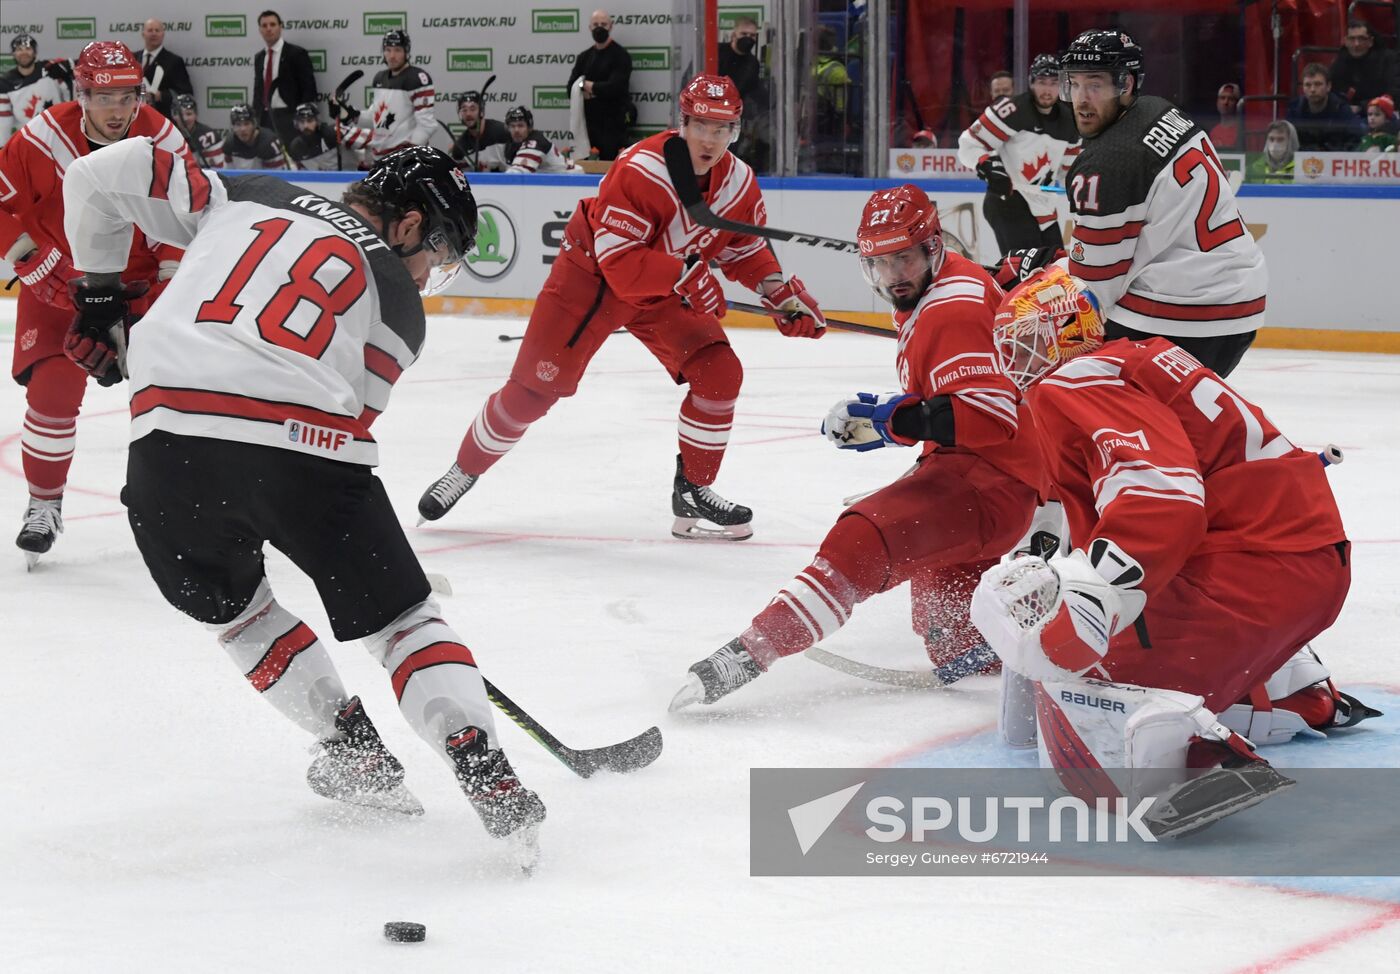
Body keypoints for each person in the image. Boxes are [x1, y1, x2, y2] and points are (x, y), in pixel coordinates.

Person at [61, 143, 547, 847]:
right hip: (307, 456)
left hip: (168, 447)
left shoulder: (245, 190)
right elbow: (332, 419)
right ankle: (486, 768)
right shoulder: (401, 311)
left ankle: (356, 757)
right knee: (405, 623)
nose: (426, 272)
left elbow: (92, 175)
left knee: (239, 613)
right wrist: (371, 578)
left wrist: (100, 295)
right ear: (408, 224)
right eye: (434, 251)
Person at [968, 267, 1372, 838]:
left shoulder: (1074, 379)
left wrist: (1096, 596)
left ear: (1065, 329)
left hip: (1247, 569)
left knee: (1080, 681)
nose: (1016, 362)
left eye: (1026, 341)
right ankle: (1295, 688)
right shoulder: (1140, 357)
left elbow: (1163, 499)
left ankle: (1200, 758)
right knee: (1115, 650)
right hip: (1303, 564)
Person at [670, 184, 1044, 710]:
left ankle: (750, 652)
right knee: (952, 638)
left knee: (863, 536)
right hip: (988, 475)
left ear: (933, 247)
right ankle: (1006, 651)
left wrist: (892, 421)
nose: (893, 276)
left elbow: (990, 417)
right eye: (881, 263)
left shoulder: (949, 310)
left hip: (988, 483)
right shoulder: (939, 287)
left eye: (904, 258)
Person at [417, 75, 825, 539]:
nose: (711, 139)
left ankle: (693, 488)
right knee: (532, 393)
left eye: (723, 129)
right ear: (683, 123)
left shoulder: (740, 183)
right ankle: (465, 468)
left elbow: (742, 248)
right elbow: (620, 264)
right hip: (591, 279)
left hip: (664, 288)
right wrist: (686, 274)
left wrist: (778, 292)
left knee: (720, 372)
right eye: (702, 126)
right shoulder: (640, 168)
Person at [0, 40, 187, 565]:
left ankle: (175, 500)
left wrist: (167, 291)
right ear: (80, 94)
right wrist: (30, 259)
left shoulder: (162, 137)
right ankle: (43, 504)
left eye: (127, 97)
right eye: (104, 98)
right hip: (60, 285)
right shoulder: (41, 139)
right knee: (51, 395)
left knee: (172, 397)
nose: (117, 110)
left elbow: (185, 216)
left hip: (139, 288)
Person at [1055, 29, 1266, 379]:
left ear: (1126, 84)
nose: (1081, 99)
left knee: (1064, 364)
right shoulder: (1162, 110)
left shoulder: (1106, 162)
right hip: (1240, 305)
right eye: (1074, 84)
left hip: (1179, 321)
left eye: (1094, 84)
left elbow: (1093, 290)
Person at [958, 54, 1080, 254]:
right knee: (1024, 274)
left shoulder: (1069, 121)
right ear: (1031, 83)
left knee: (1054, 272)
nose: (1047, 89)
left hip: (1043, 207)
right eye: (1041, 82)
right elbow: (968, 143)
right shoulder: (1013, 110)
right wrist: (986, 164)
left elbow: (1068, 170)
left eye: (1053, 83)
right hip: (1009, 200)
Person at [333, 30, 436, 165]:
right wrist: (348, 114)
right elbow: (375, 119)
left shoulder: (417, 79)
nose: (392, 56)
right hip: (380, 159)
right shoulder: (379, 78)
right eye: (388, 50)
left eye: (397, 50)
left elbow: (427, 125)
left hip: (406, 161)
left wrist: (409, 153)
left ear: (406, 51)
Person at [566, 10, 633, 161]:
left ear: (611, 26)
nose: (599, 27)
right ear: (589, 27)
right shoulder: (584, 57)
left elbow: (615, 88)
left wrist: (587, 87)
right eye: (595, 24)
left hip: (613, 126)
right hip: (587, 128)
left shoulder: (621, 55)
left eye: (603, 24)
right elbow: (571, 88)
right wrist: (588, 86)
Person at [251, 10, 318, 150]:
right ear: (260, 30)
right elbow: (258, 89)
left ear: (281, 27)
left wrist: (303, 118)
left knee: (293, 156)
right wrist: (255, 117)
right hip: (265, 117)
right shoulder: (259, 57)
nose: (268, 29)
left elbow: (308, 88)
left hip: (290, 115)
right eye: (264, 25)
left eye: (272, 24)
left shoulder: (296, 53)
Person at [0, 34, 73, 146]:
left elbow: (78, 66)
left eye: (28, 49)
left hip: (59, 133)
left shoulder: (51, 69)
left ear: (35, 52)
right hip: (28, 139)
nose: (24, 53)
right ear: (13, 53)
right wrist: (2, 148)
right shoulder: (5, 82)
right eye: (19, 49)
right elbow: (3, 122)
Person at [717, 16, 768, 171]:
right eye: (744, 34)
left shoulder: (752, 63)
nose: (748, 39)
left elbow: (747, 92)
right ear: (734, 34)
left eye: (752, 36)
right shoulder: (717, 52)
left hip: (733, 118)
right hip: (710, 112)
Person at [1288, 63, 1364, 152]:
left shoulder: (1341, 109)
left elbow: (1355, 142)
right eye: (1308, 85)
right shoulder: (1294, 109)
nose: (1312, 89)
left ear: (1328, 86)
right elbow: (1288, 142)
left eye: (1318, 84)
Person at [1329, 20, 1400, 113]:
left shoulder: (1389, 60)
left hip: (1381, 114)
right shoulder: (1339, 62)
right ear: (1345, 41)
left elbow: (1394, 94)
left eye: (1361, 39)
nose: (1356, 44)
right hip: (1346, 115)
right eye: (1352, 39)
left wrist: (1362, 107)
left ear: (1370, 41)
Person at [481, 106, 569, 173]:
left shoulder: (535, 142)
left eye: (520, 125)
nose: (516, 130)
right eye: (512, 126)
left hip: (573, 183)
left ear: (529, 127)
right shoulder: (509, 144)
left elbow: (516, 175)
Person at [137, 19, 192, 120]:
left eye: (157, 30)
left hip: (163, 118)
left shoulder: (174, 61)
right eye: (150, 30)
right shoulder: (133, 58)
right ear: (143, 34)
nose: (154, 34)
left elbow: (186, 93)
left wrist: (161, 96)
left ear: (163, 34)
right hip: (136, 117)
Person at [449, 91, 508, 170]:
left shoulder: (502, 132)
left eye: (473, 109)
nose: (468, 114)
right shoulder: (460, 146)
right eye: (464, 110)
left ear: (482, 111)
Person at [222, 103, 287, 170]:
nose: (243, 129)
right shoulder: (229, 143)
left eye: (246, 124)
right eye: (238, 124)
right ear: (233, 127)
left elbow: (276, 177)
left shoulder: (269, 143)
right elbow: (228, 174)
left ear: (254, 124)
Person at [172, 93, 226, 169]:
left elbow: (217, 171)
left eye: (189, 114)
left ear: (196, 115)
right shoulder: (169, 136)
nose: (185, 119)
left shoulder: (208, 136)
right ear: (173, 116)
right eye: (180, 114)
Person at [288, 102, 339, 170]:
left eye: (310, 120)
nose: (305, 126)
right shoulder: (296, 146)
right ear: (296, 124)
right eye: (302, 122)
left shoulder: (332, 133)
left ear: (317, 121)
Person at [1208, 82, 1242, 152]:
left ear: (1237, 104)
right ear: (1217, 102)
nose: (1226, 102)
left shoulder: (1242, 131)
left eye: (1231, 99)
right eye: (1222, 98)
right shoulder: (1213, 131)